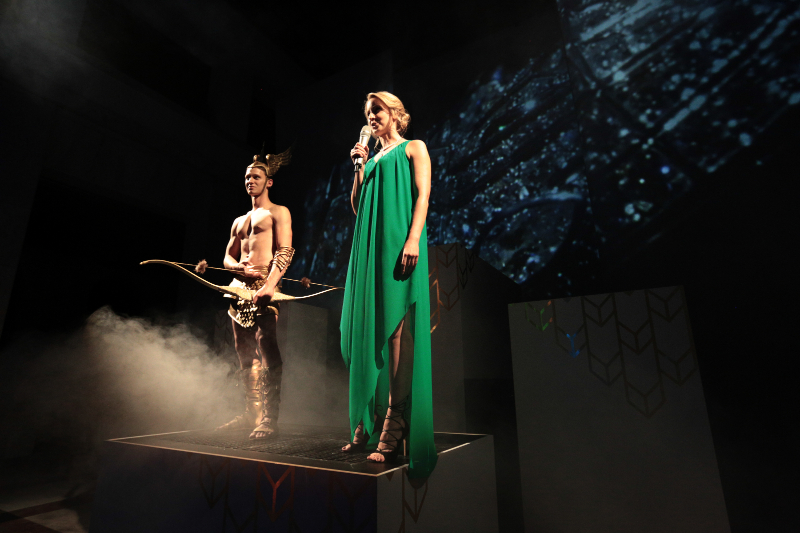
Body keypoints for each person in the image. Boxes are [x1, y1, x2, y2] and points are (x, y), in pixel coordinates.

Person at [340, 91, 437, 477]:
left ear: (395, 113)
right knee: (363, 329)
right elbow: (358, 206)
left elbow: (423, 195)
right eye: (368, 113)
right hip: (369, 248)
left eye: (377, 110)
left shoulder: (414, 147)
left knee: (396, 330)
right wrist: (358, 167)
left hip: (399, 242)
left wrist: (413, 238)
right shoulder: (370, 158)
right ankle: (369, 414)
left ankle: (394, 424)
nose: (371, 117)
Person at [216, 146, 294, 439]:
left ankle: (270, 417)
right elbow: (228, 257)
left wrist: (270, 285)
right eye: (247, 177)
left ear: (268, 182)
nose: (250, 181)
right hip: (239, 288)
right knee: (243, 346)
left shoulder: (278, 212)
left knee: (265, 341)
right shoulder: (239, 220)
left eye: (256, 177)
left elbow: (285, 250)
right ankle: (253, 413)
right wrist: (237, 268)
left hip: (265, 284)